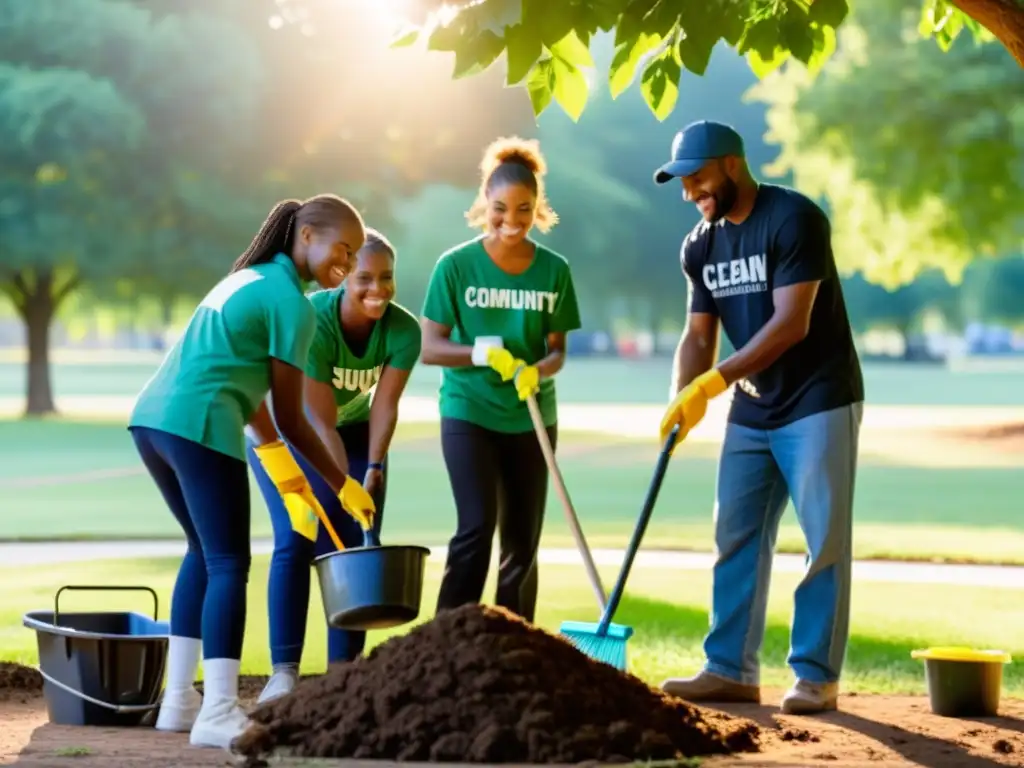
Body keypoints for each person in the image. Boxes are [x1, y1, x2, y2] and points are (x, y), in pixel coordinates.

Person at [127, 194, 378, 749]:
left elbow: (250, 391)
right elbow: (292, 415)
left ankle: (178, 701)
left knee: (202, 552)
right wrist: (341, 483)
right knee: (228, 563)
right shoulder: (293, 303)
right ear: (306, 235)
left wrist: (281, 467)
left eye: (354, 253)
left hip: (153, 421)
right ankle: (217, 711)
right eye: (342, 248)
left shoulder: (248, 279)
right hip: (200, 423)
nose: (347, 262)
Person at [652, 120, 864, 715]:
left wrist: (715, 381)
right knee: (735, 534)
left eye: (697, 177)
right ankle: (729, 670)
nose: (689, 192)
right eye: (681, 182)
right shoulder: (700, 245)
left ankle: (815, 676)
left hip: (818, 396)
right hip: (752, 404)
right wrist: (680, 397)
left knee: (823, 538)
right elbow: (699, 335)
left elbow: (791, 324)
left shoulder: (794, 219)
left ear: (732, 164)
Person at [244, 228, 422, 704]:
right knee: (297, 536)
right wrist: (342, 484)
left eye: (386, 278)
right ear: (343, 277)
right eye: (365, 278)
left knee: (353, 543)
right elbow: (319, 423)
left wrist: (375, 467)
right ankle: (284, 674)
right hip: (287, 432)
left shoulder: (403, 331)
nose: (377, 289)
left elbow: (385, 405)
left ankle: (343, 679)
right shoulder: (314, 321)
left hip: (356, 432)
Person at [419, 136, 581, 624]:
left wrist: (538, 370)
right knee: (476, 527)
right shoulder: (454, 266)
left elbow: (557, 351)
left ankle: (513, 645)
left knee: (522, 542)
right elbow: (429, 347)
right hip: (469, 411)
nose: (511, 220)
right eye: (500, 209)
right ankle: (448, 640)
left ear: (538, 207)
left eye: (524, 209)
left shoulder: (554, 271)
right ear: (484, 203)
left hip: (531, 416)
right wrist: (478, 354)